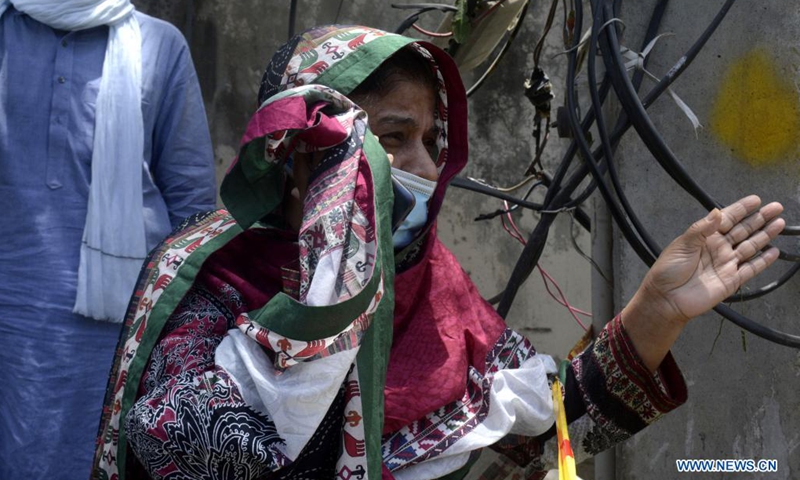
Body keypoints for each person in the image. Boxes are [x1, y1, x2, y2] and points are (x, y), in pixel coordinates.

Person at [91, 25, 784, 480]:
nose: (423, 165)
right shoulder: (204, 278)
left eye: (429, 139)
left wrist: (654, 315)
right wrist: (327, 303)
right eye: (391, 138)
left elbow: (535, 430)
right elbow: (181, 444)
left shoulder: (434, 288)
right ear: (304, 153)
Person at [0, 1, 216, 478]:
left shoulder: (159, 45)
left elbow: (190, 194)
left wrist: (198, 319)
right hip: (11, 305)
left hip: (115, 318)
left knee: (93, 455)